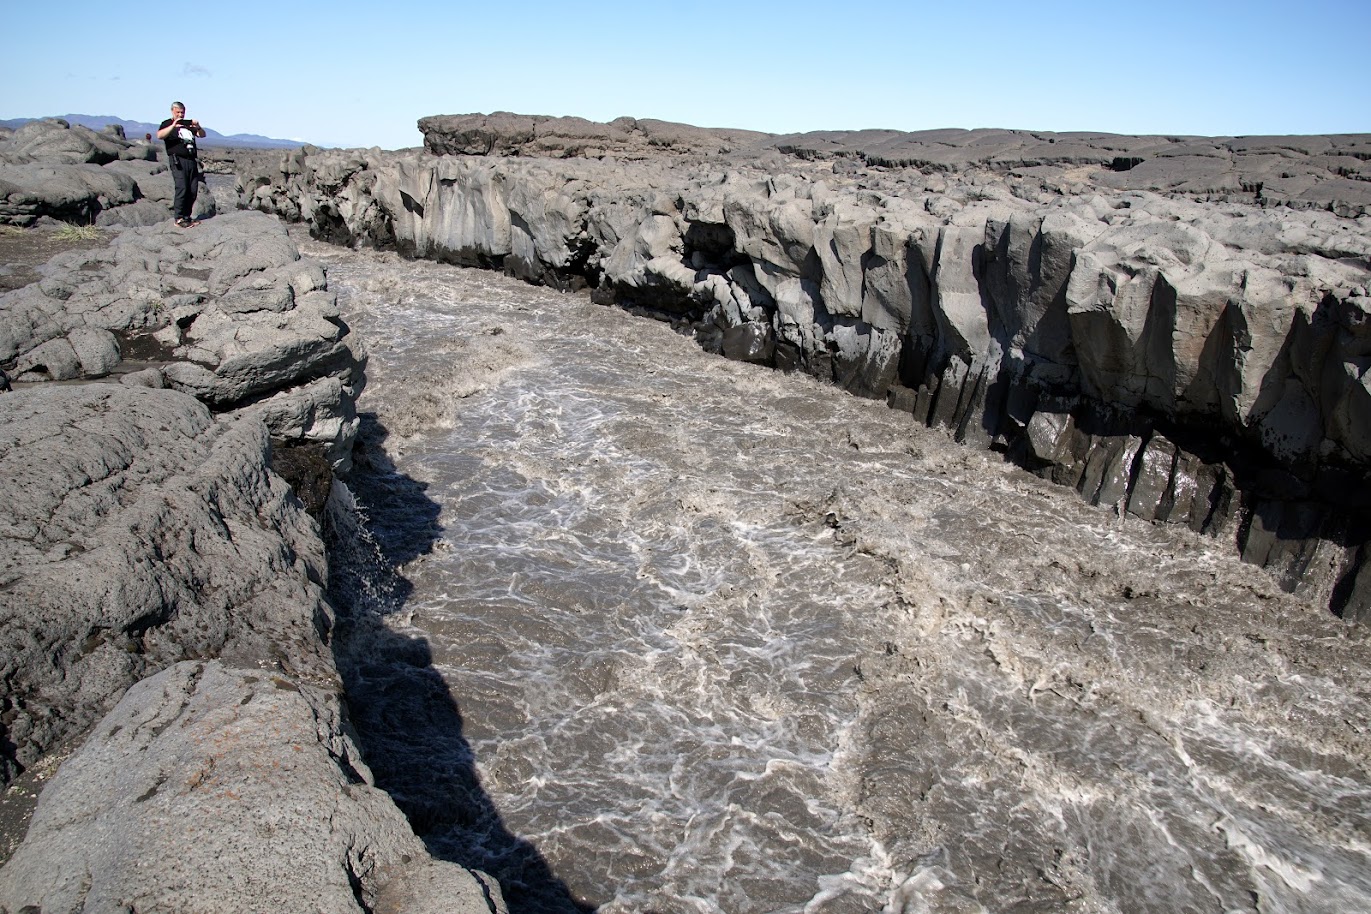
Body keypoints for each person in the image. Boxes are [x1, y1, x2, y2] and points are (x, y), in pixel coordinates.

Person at [156, 101, 207, 228]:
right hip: (177, 159)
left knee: (192, 189)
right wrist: (173, 125)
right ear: (172, 111)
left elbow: (202, 135)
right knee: (182, 187)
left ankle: (187, 216)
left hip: (191, 160)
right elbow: (159, 135)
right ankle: (178, 218)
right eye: (178, 112)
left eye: (182, 112)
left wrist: (198, 126)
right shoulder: (167, 123)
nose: (180, 114)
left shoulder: (187, 124)